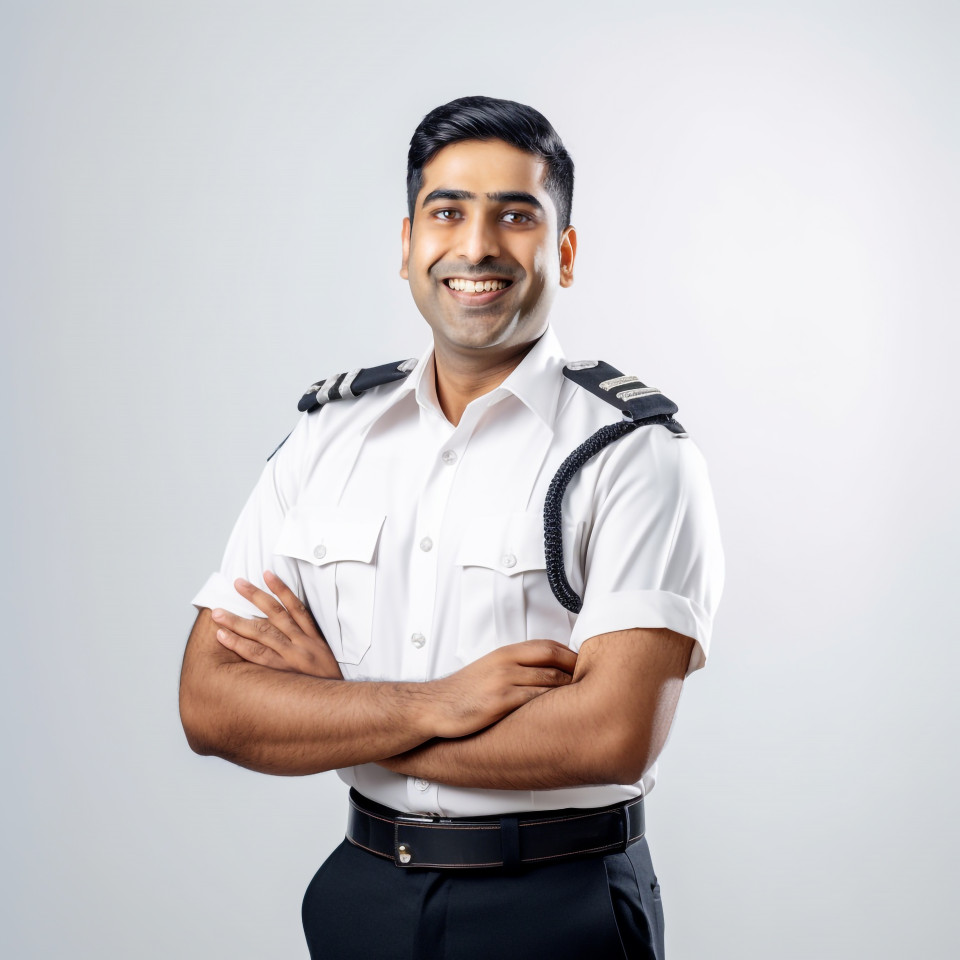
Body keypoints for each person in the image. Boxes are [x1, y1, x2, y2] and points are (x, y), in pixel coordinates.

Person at [179, 95, 723, 959]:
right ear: (407, 247)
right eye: (447, 212)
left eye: (516, 215)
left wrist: (335, 705)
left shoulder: (635, 456)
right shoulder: (327, 438)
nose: (476, 247)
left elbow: (611, 736)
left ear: (565, 252)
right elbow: (211, 705)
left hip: (559, 906)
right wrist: (437, 702)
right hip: (362, 894)